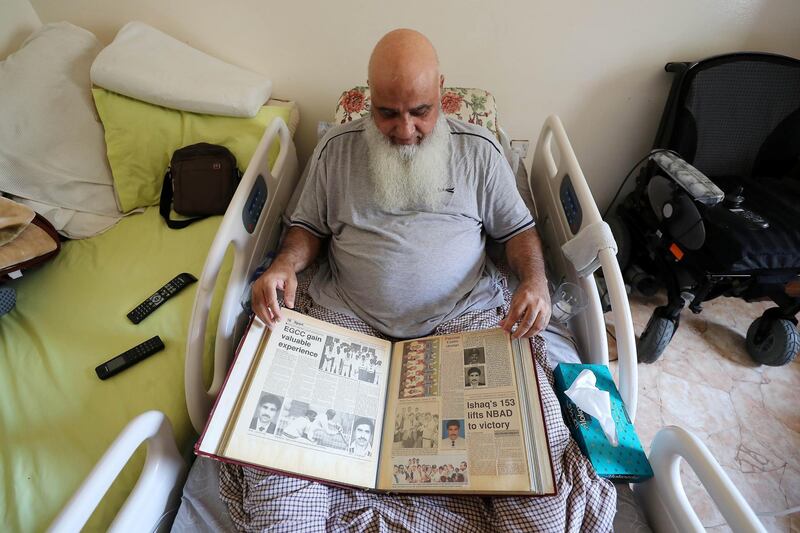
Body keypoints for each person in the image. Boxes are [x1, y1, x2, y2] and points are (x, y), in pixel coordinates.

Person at [225, 28, 615, 533]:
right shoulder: (335, 152)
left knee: (539, 499)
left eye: (420, 112)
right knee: (278, 494)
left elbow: (518, 230)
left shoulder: (480, 153)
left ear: (442, 95)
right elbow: (307, 226)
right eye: (388, 113)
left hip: (465, 322)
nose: (405, 130)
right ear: (368, 100)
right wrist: (284, 264)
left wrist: (535, 283)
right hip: (348, 323)